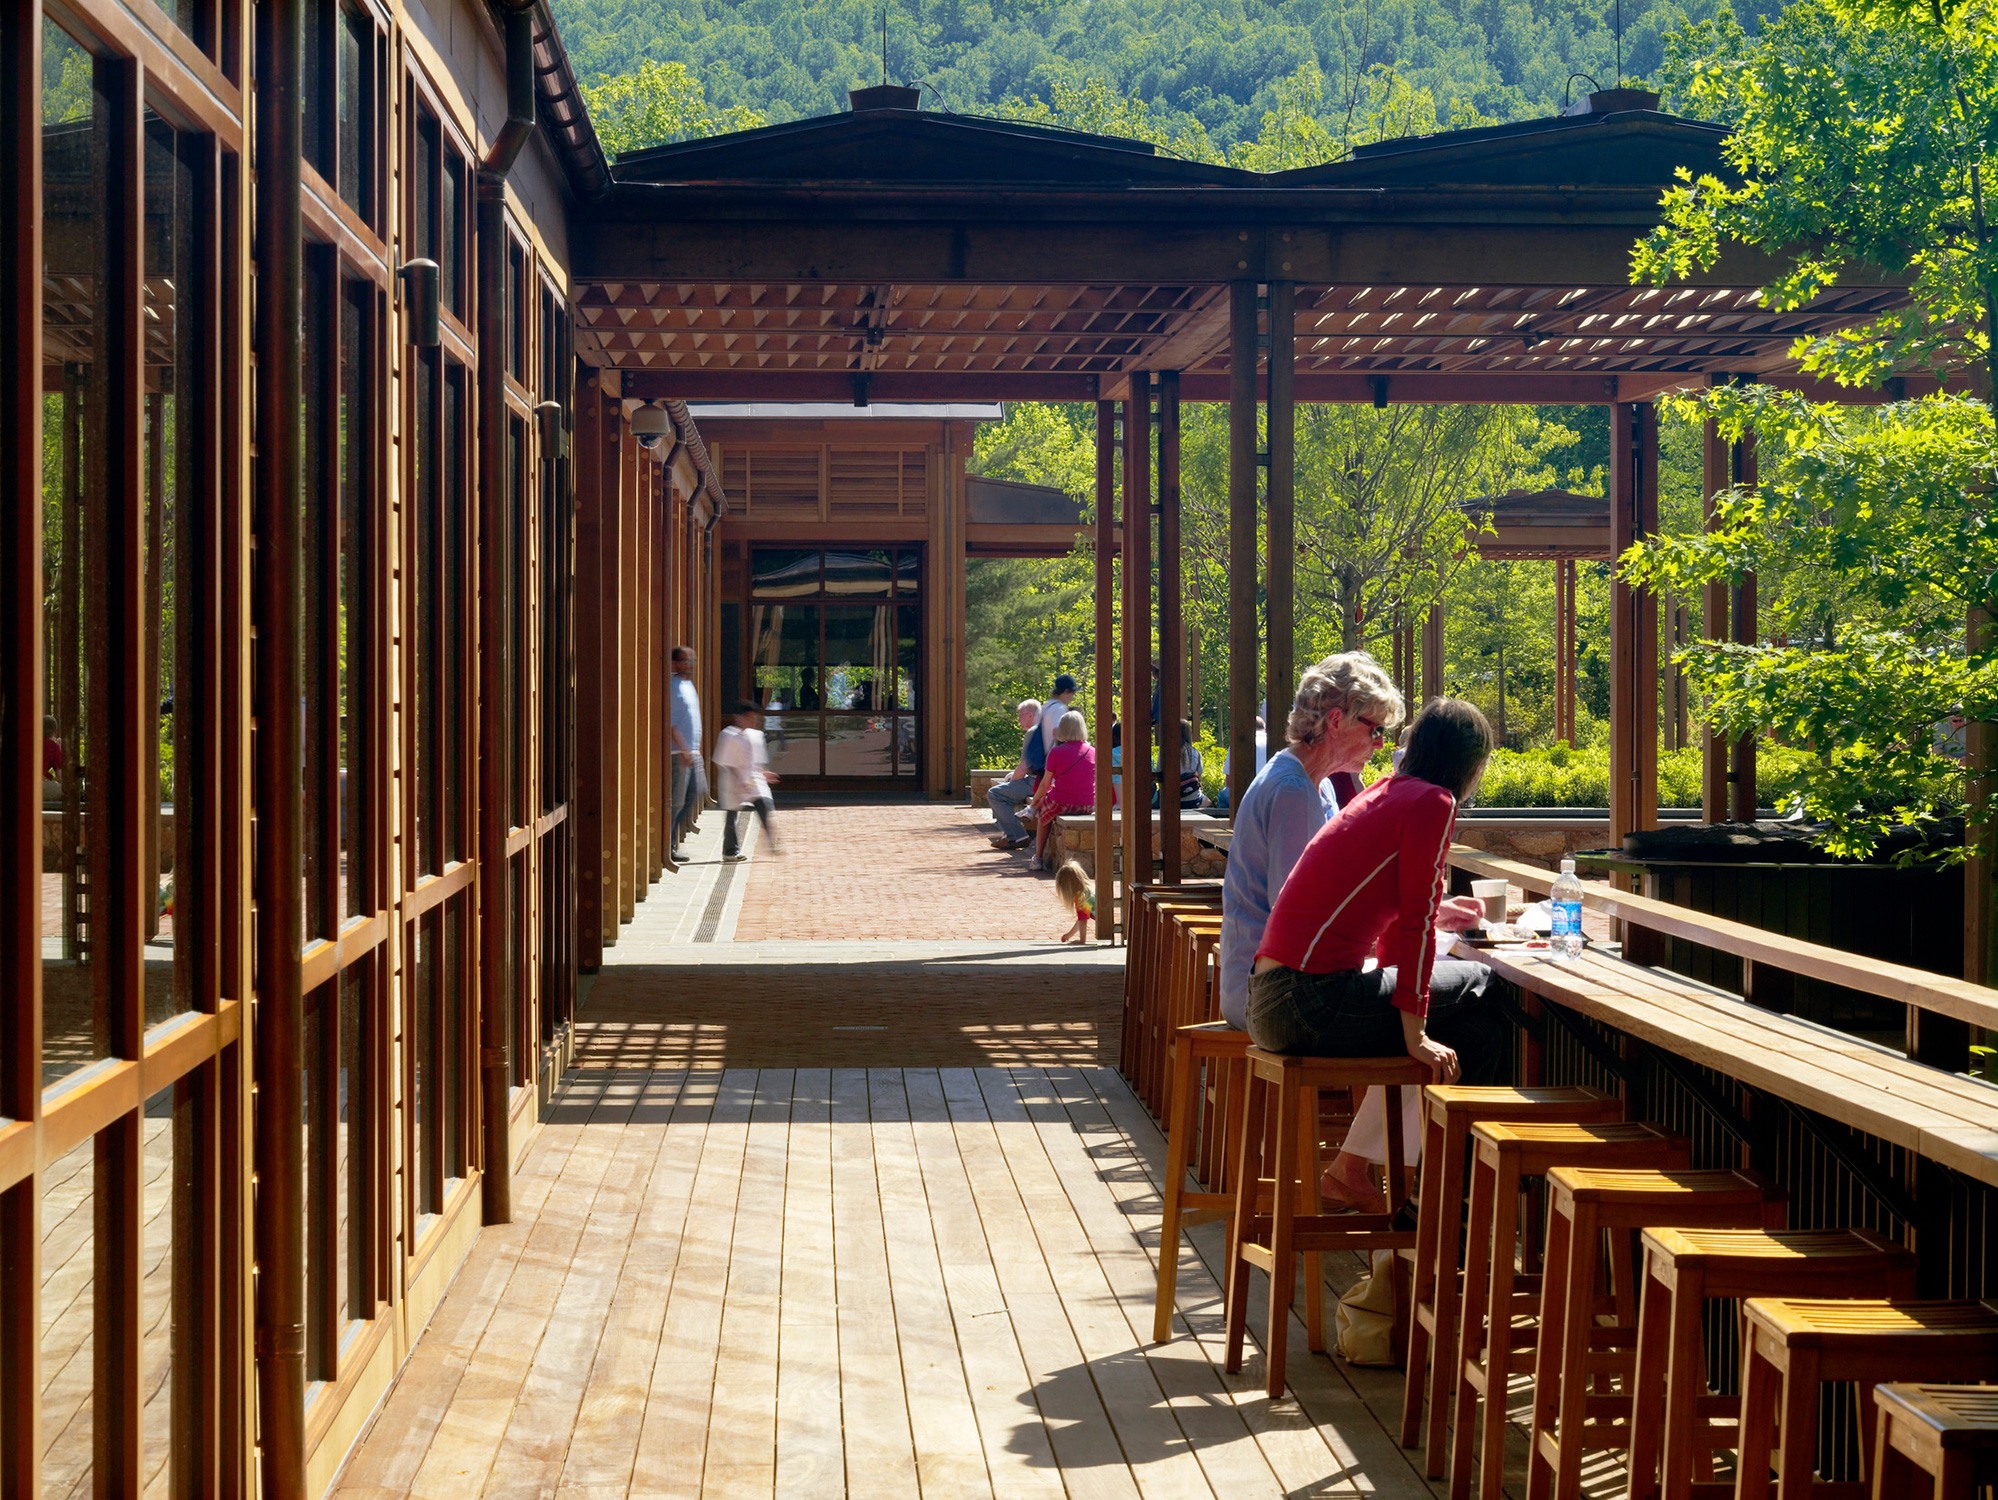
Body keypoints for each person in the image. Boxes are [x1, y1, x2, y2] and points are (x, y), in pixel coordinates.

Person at [1249, 698, 1506, 1212]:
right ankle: (1446, 1209)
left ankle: (1395, 1190)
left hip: (1273, 1000)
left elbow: (1398, 931)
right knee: (1483, 985)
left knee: (1460, 1026)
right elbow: (1413, 927)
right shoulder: (1434, 802)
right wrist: (1417, 1035)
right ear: (1470, 763)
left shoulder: (1386, 792)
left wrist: (1420, 1027)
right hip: (1307, 1003)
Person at [712, 700, 780, 862]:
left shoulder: (756, 736)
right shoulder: (728, 735)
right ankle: (730, 850)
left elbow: (757, 762)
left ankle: (772, 841)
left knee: (763, 805)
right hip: (733, 780)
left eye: (754, 718)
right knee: (731, 815)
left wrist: (765, 773)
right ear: (739, 717)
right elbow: (724, 761)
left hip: (752, 780)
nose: (752, 721)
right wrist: (739, 779)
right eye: (748, 718)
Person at [1031, 710, 1096, 870]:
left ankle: (1037, 857)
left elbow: (1045, 784)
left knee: (1042, 814)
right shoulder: (1093, 751)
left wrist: (1034, 802)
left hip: (1062, 802)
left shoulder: (1056, 752)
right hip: (1087, 804)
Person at [987, 698, 1046, 850]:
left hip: (1037, 783)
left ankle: (1017, 836)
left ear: (1031, 715)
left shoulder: (1033, 733)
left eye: (1020, 715)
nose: (1018, 719)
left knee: (995, 794)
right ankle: (1010, 835)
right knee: (1007, 785)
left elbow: (1024, 766)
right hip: (1046, 779)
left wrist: (1012, 782)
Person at [668, 645, 705, 865]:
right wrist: (683, 749)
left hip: (692, 751)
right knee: (677, 801)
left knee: (699, 792)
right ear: (674, 663)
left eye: (692, 660)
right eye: (684, 660)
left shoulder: (688, 684)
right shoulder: (672, 686)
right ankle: (669, 845)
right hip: (679, 752)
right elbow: (671, 723)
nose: (689, 665)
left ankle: (673, 837)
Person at [1038, 673, 1079, 762]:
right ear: (1066, 691)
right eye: (1073, 693)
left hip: (1041, 757)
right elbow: (1056, 731)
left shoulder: (1046, 706)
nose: (1073, 697)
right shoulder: (1060, 708)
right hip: (1053, 759)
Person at [1054, 859, 1095, 944]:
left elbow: (1083, 921)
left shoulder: (1081, 897)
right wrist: (1069, 935)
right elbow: (1081, 920)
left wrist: (1082, 940)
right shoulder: (1089, 890)